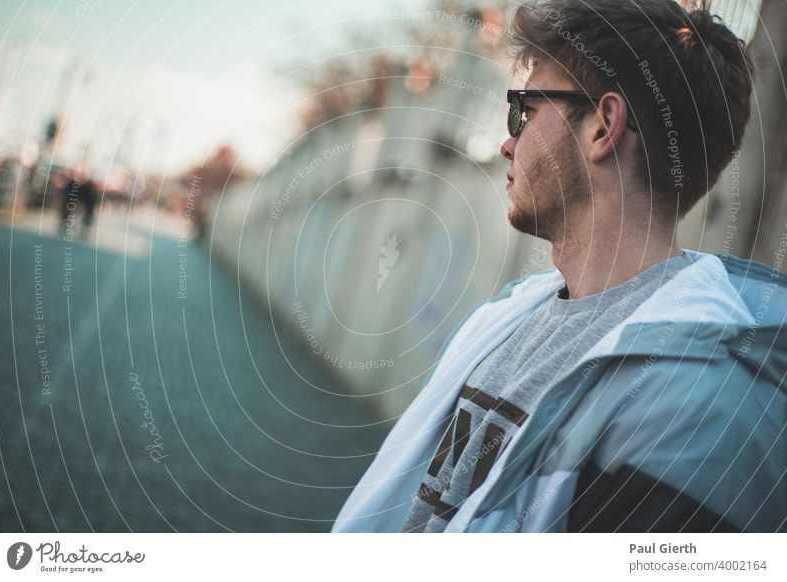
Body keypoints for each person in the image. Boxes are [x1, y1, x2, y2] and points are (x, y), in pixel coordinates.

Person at [333, 0, 786, 532]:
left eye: (521, 112)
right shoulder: (505, 318)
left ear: (602, 126)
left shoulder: (703, 410)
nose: (507, 142)